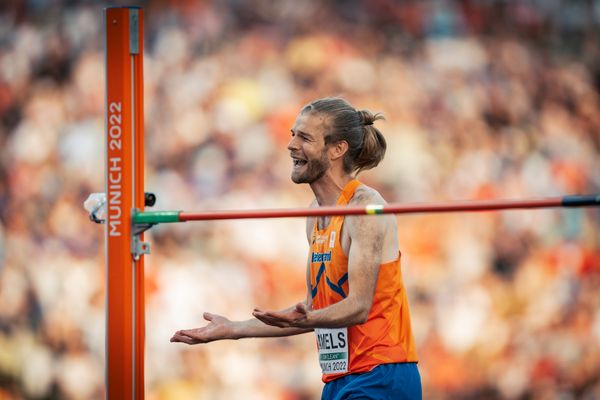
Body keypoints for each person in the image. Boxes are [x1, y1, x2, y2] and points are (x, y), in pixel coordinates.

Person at [171, 97, 422, 399]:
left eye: (304, 137)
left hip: (381, 374)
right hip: (339, 378)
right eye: (292, 134)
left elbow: (358, 307)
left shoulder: (364, 208)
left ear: (337, 149)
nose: (290, 145)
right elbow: (315, 310)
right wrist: (233, 329)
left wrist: (307, 318)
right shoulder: (315, 214)